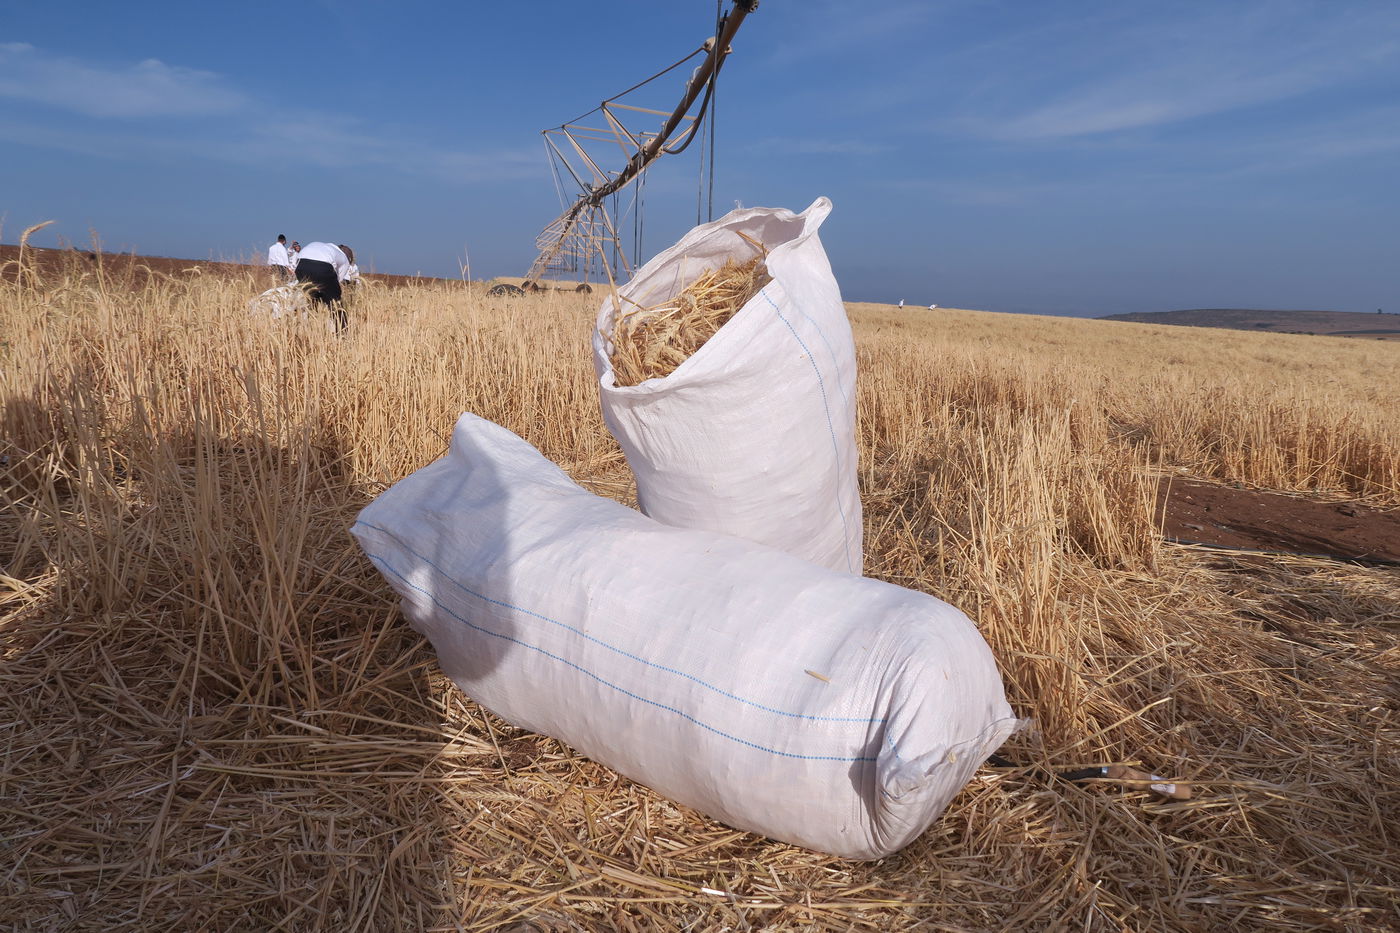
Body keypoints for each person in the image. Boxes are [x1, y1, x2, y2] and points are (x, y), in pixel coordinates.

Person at [295, 242, 355, 332]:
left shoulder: (328, 247)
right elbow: (337, 281)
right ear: (349, 258)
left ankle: (305, 329)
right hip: (322, 266)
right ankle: (342, 332)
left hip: (301, 265)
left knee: (310, 299)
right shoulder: (344, 258)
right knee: (336, 302)